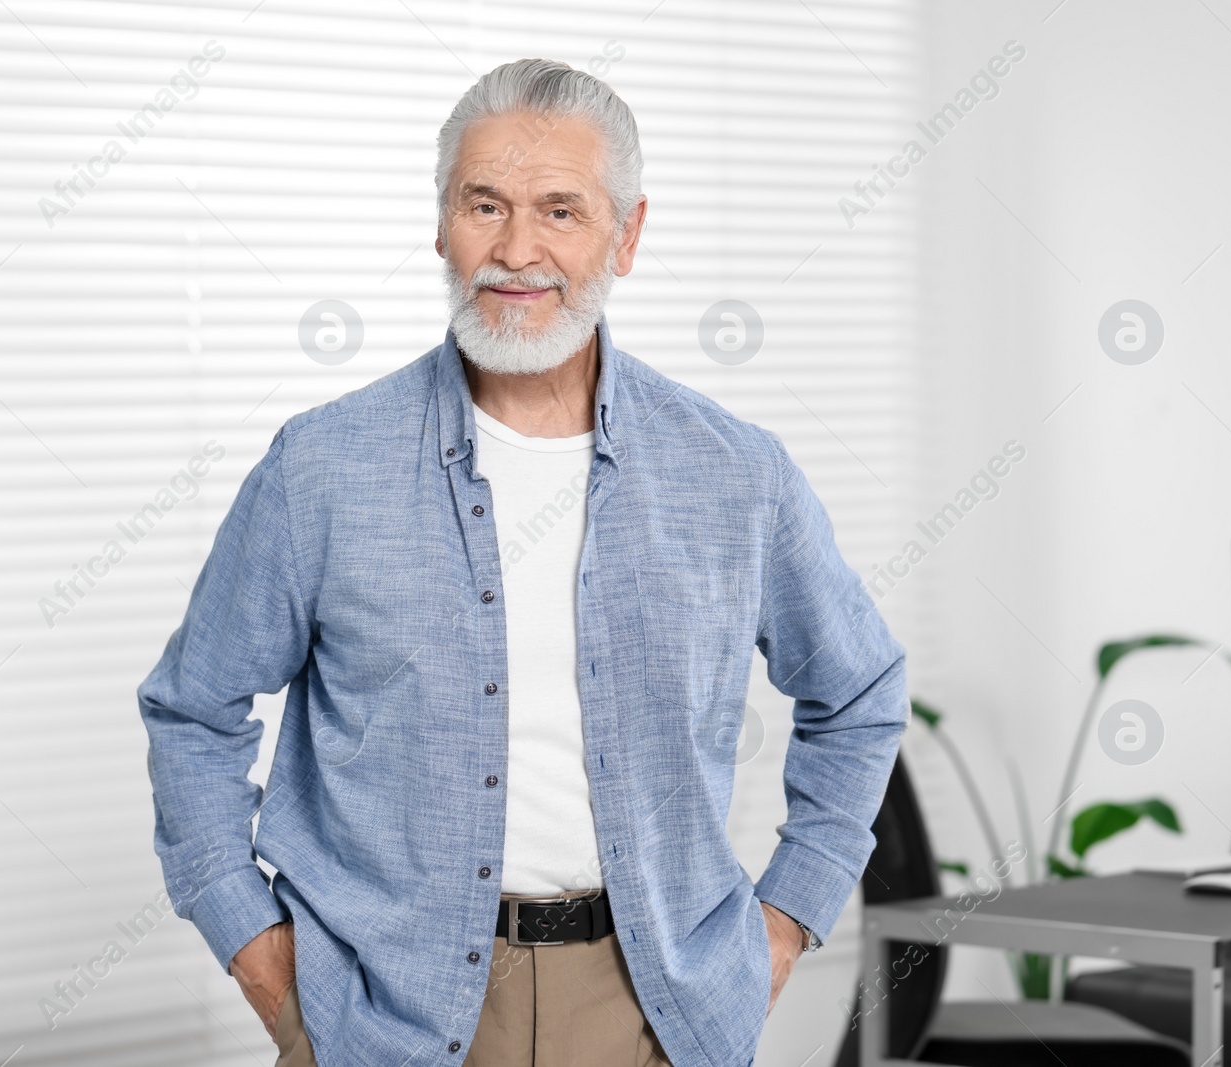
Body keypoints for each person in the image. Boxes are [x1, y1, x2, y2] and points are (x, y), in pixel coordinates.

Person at [138, 57, 907, 1067]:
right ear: (440, 221)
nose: (516, 250)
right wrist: (266, 963)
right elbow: (194, 709)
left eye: (560, 211)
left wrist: (781, 925)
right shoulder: (321, 468)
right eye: (485, 203)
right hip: (382, 1016)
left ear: (625, 236)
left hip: (659, 1013)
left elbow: (856, 690)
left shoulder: (733, 473)